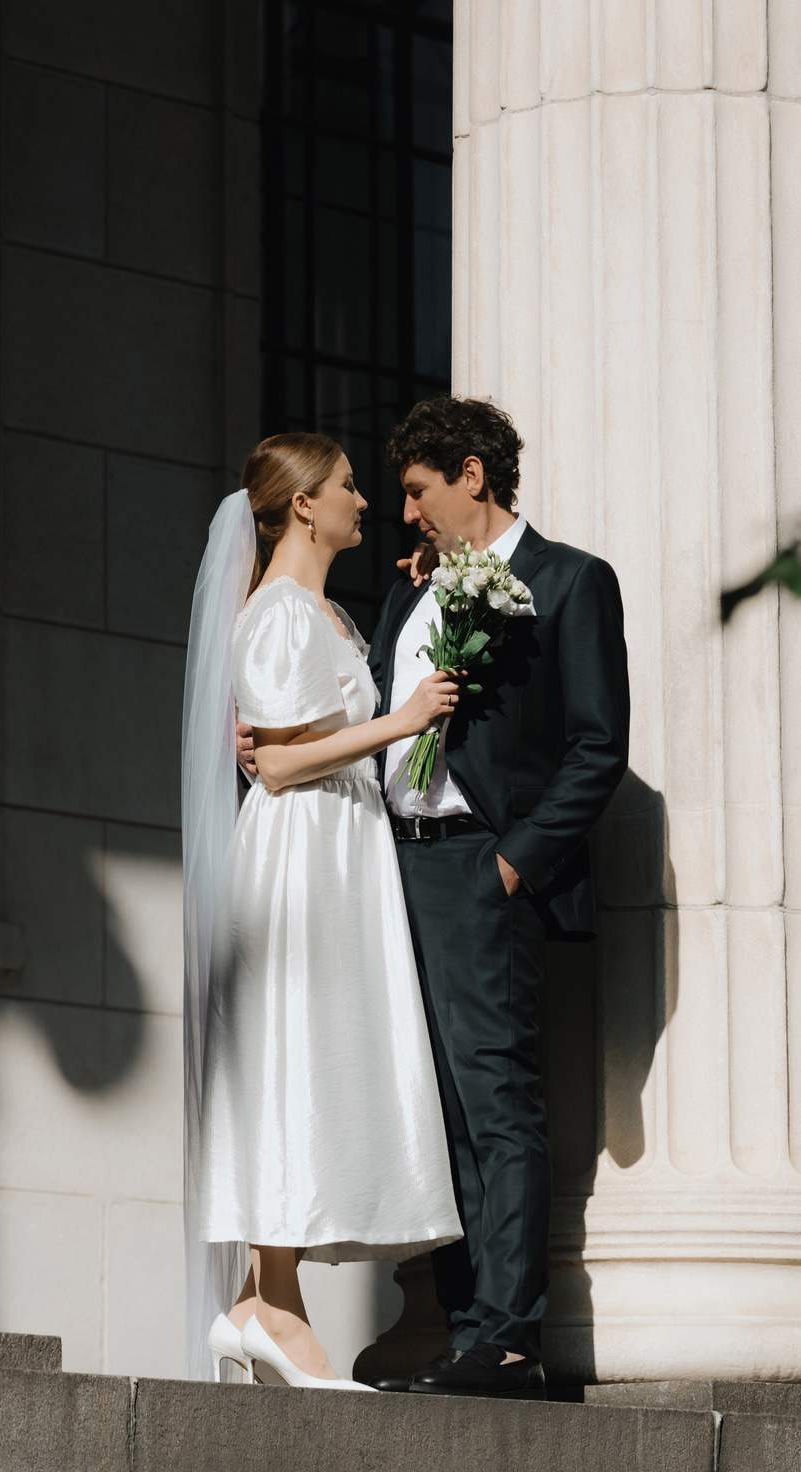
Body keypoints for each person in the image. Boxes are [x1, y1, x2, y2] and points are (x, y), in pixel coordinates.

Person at [240, 397, 630, 1399]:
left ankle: (506, 1333)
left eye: (416, 489)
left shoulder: (570, 581)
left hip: (475, 865)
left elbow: (596, 748)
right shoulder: (409, 600)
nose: (403, 511)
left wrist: (514, 862)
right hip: (385, 866)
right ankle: (460, 1326)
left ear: (471, 475)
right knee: (434, 1106)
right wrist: (274, 748)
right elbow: (366, 714)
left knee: (495, 1103)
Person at [181, 433, 466, 1391]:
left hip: (339, 848)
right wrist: (405, 717)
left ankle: (268, 1306)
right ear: (303, 503)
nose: (364, 503)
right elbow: (282, 762)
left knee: (310, 1056)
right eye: (348, 487)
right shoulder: (278, 617)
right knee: (287, 1053)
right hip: (300, 852)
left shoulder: (327, 614)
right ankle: (274, 1308)